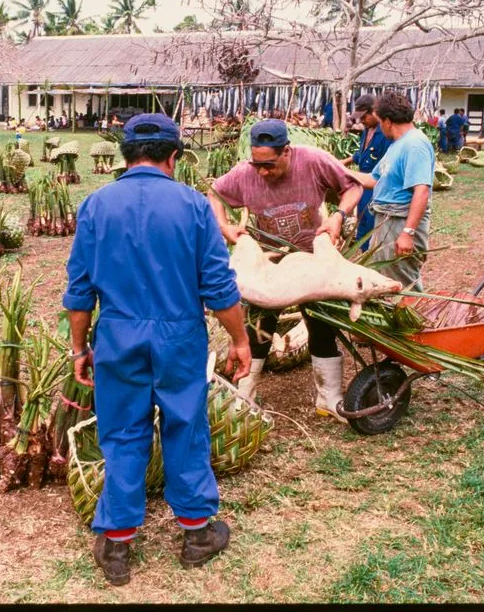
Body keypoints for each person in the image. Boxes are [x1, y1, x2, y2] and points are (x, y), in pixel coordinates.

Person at [63, 113, 251, 586]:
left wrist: (78, 348)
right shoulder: (192, 206)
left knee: (123, 432)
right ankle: (196, 534)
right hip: (179, 335)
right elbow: (219, 286)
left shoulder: (96, 205)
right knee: (185, 425)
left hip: (118, 335)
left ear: (126, 156)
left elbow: (80, 291)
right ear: (174, 157)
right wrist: (241, 339)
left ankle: (117, 542)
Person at [208, 119, 363, 421]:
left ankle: (329, 399)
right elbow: (214, 193)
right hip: (271, 262)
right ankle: (243, 400)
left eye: (269, 165)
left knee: (322, 325)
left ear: (287, 152)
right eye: (257, 165)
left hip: (311, 260)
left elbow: (352, 186)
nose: (263, 172)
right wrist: (224, 226)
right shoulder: (245, 174)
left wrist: (338, 217)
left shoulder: (314, 161)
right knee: (259, 328)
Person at [348, 91, 434, 292]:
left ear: (387, 121)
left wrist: (407, 232)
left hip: (399, 221)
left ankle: (412, 321)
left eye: (378, 121)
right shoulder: (397, 145)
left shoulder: (415, 145)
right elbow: (372, 179)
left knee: (402, 282)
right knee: (385, 279)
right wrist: (334, 169)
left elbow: (421, 191)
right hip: (385, 219)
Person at [338, 95, 393, 250]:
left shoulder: (385, 133)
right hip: (363, 183)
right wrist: (345, 162)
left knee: (371, 220)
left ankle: (371, 251)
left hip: (376, 183)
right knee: (362, 218)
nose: (361, 121)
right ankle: (362, 249)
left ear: (374, 112)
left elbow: (387, 161)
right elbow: (361, 154)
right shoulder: (367, 130)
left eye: (364, 117)